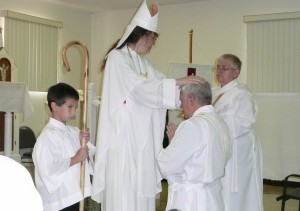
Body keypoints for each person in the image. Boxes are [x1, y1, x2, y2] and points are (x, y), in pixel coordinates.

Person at [90, 0, 204, 210]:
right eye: (153, 39)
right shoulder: (117, 57)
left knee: (140, 186)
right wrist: (178, 82)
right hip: (124, 136)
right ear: (144, 35)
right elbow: (140, 88)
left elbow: (159, 86)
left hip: (140, 135)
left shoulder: (140, 62)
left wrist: (195, 98)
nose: (152, 45)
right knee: (125, 187)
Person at [157, 82, 232, 211]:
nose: (181, 105)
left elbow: (166, 166)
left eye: (181, 100)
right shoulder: (220, 122)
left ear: (191, 99)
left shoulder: (192, 125)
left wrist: (173, 143)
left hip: (191, 201)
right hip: (213, 198)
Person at [32, 82, 96, 211]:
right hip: (60, 199)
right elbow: (48, 169)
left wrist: (82, 144)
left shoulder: (74, 131)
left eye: (76, 107)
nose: (74, 112)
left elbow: (86, 160)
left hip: (75, 193)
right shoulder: (47, 137)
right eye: (70, 107)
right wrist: (76, 158)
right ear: (54, 106)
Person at [212, 54, 263, 211]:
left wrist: (216, 119)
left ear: (236, 72)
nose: (219, 71)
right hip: (223, 146)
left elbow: (245, 123)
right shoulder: (215, 91)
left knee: (237, 189)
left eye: (224, 68)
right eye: (217, 67)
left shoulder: (242, 94)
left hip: (239, 150)